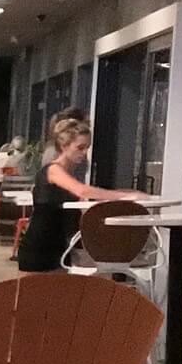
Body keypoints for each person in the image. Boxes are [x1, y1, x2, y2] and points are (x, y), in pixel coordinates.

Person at [17, 113, 123, 272]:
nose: (84, 153)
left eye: (87, 147)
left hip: (59, 248)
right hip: (39, 248)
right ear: (64, 146)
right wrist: (125, 196)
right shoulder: (54, 170)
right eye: (80, 147)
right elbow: (82, 191)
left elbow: (81, 201)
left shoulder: (67, 173)